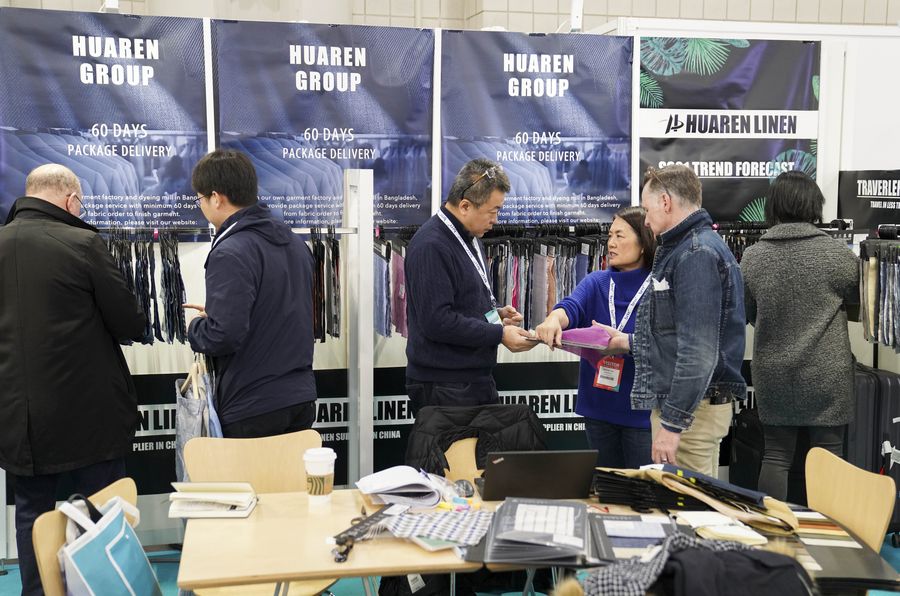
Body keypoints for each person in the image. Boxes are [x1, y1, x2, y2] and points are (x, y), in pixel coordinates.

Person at [0, 164, 146, 596]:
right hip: (90, 415)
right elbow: (129, 322)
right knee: (101, 512)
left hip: (18, 417)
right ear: (70, 199)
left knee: (31, 513)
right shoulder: (83, 244)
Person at [599, 165, 746, 477]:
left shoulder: (695, 254)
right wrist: (626, 341)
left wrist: (673, 423)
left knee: (688, 502)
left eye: (648, 209)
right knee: (691, 498)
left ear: (665, 202)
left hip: (690, 413)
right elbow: (675, 336)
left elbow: (698, 351)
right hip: (691, 408)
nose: (646, 220)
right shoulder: (687, 249)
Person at [741, 171, 858, 500]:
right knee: (829, 453)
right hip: (827, 372)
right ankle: (830, 525)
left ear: (773, 205)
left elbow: (749, 313)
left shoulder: (753, 257)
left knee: (776, 455)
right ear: (813, 205)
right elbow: (858, 303)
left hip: (774, 372)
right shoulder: (836, 254)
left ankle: (775, 524)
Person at [186, 149, 317, 438]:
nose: (201, 206)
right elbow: (277, 311)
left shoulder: (230, 251)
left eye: (200, 199)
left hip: (252, 404)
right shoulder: (295, 244)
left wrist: (195, 327)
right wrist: (219, 315)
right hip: (299, 397)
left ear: (216, 198)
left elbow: (224, 335)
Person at [404, 158, 534, 414]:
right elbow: (437, 321)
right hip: (445, 385)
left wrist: (495, 315)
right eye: (493, 211)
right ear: (465, 206)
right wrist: (499, 334)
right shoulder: (431, 246)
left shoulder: (470, 236)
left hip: (470, 379)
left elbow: (462, 301)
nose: (496, 219)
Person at [535, 206, 657, 468]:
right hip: (598, 411)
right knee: (605, 486)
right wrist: (553, 319)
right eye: (610, 235)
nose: (611, 243)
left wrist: (625, 342)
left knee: (642, 488)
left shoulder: (660, 287)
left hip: (643, 415)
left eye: (620, 236)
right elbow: (571, 307)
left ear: (644, 243)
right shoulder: (597, 281)